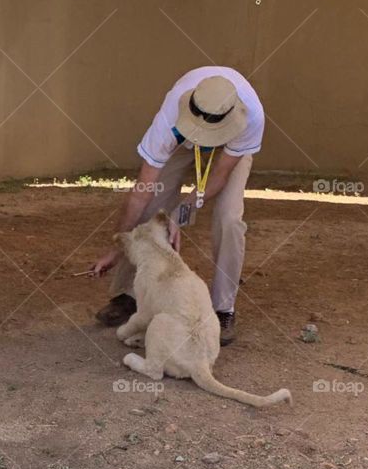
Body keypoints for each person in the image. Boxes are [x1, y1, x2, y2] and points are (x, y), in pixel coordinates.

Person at [91, 67, 265, 345]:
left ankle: (223, 310)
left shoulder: (251, 117)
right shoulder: (170, 117)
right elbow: (141, 193)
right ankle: (130, 295)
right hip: (183, 138)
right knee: (151, 209)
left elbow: (217, 177)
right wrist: (117, 246)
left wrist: (179, 215)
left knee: (229, 219)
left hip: (230, 149)